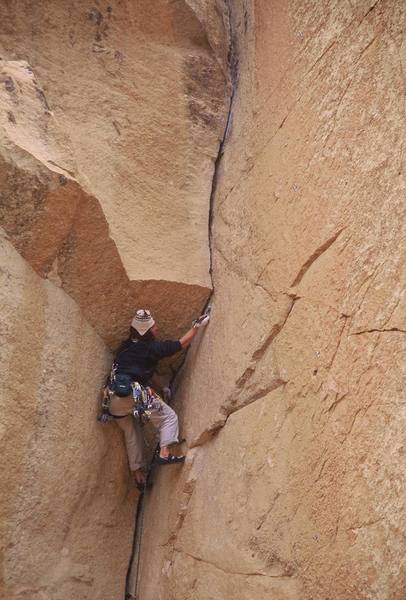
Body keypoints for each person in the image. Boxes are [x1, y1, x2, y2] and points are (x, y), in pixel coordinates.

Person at [108, 308, 209, 489]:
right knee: (168, 418)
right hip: (133, 394)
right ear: (145, 331)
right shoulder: (151, 348)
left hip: (113, 401)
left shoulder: (126, 347)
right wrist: (196, 327)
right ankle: (164, 453)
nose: (156, 328)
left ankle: (138, 476)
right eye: (153, 327)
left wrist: (161, 387)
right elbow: (179, 344)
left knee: (132, 433)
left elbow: (142, 371)